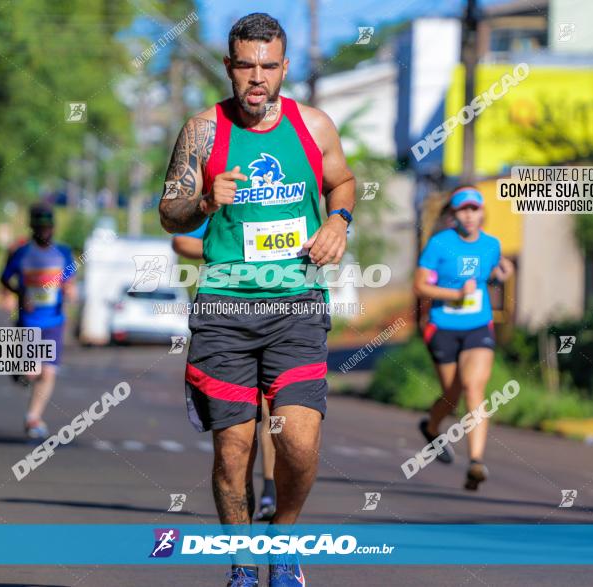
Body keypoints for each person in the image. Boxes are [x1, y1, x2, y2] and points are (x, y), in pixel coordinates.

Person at [159, 13, 355, 587]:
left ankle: (285, 540)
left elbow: (342, 181)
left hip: (296, 303)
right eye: (246, 65)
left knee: (297, 439)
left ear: (284, 67)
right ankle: (243, 565)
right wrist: (201, 200)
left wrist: (339, 221)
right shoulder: (204, 130)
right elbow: (168, 212)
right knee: (234, 449)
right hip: (224, 309)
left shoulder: (313, 126)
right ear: (229, 66)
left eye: (269, 66)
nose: (257, 78)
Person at [172, 219, 278, 522]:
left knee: (274, 411)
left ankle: (270, 487)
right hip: (228, 313)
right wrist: (234, 251)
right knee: (242, 420)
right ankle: (242, 491)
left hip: (284, 311)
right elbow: (181, 241)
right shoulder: (223, 184)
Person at [413, 186, 514, 491]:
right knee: (451, 395)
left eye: (474, 209)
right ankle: (431, 428)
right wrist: (455, 294)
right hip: (443, 327)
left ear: (482, 213)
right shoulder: (439, 245)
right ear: (454, 215)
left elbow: (491, 273)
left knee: (474, 387)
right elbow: (421, 286)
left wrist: (502, 273)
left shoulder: (491, 245)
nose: (469, 215)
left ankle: (476, 462)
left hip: (478, 326)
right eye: (463, 210)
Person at [1, 204, 75, 439]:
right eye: (40, 227)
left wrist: (69, 290)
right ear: (33, 228)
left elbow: (69, 280)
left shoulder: (63, 253)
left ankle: (33, 417)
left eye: (48, 227)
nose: (45, 231)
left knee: (48, 373)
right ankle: (19, 368)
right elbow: (4, 278)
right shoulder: (22, 253)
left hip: (54, 320)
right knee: (32, 371)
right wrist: (19, 294)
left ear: (53, 228)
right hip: (29, 320)